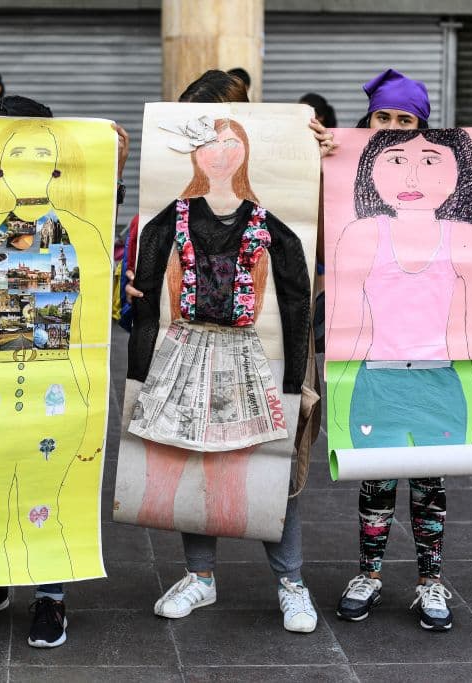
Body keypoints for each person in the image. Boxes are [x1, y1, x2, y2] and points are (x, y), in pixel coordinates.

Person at [0, 95, 129, 649]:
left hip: (56, 385)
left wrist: (116, 172)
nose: (30, 163)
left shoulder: (82, 229)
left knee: (49, 495)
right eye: (16, 152)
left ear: (57, 163)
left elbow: (91, 319)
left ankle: (50, 598)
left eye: (42, 152)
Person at [323, 68, 472, 633]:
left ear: (423, 130)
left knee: (431, 483)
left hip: (439, 372)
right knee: (376, 481)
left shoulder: (463, 231)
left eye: (403, 121)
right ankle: (369, 573)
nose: (390, 129)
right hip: (373, 372)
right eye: (381, 120)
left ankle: (430, 580)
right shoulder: (358, 227)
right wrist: (317, 160)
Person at [125, 69, 320, 634]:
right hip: (186, 350)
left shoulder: (269, 220)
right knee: (194, 457)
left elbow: (296, 290)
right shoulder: (172, 214)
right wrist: (133, 297)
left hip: (248, 354)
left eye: (227, 136)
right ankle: (201, 576)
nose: (217, 149)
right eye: (202, 138)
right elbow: (140, 278)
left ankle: (291, 581)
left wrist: (292, 382)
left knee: (268, 466)